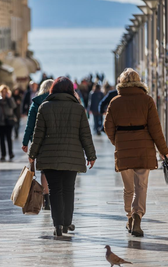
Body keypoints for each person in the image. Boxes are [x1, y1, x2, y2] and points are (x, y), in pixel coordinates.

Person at [28, 77, 97, 237]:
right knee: (68, 189)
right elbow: (85, 134)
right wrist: (91, 155)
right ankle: (66, 223)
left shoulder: (44, 107)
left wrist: (32, 154)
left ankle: (57, 225)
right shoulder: (78, 108)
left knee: (54, 190)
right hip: (72, 156)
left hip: (49, 157)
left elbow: (38, 135)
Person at [104, 68, 168, 237]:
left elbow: (108, 127)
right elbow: (155, 128)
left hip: (123, 148)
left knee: (128, 188)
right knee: (141, 185)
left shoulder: (115, 102)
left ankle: (129, 216)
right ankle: (137, 214)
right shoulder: (147, 100)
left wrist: (117, 141)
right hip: (143, 148)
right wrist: (163, 150)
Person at [22, 79, 54, 210]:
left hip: (38, 141)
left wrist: (25, 142)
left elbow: (29, 125)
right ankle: (54, 196)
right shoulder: (55, 101)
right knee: (53, 169)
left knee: (43, 170)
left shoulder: (35, 104)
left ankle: (46, 199)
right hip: (53, 140)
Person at [0, 85, 17, 161]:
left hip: (8, 120)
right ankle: (3, 154)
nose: (4, 93)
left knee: (9, 138)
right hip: (0, 121)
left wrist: (9, 98)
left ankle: (10, 153)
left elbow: (14, 106)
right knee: (1, 139)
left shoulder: (9, 99)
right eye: (2, 91)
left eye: (5, 91)